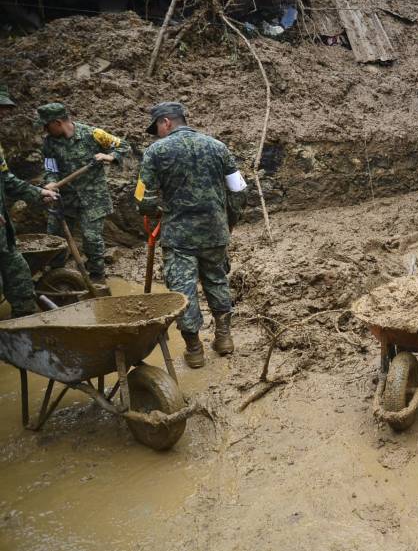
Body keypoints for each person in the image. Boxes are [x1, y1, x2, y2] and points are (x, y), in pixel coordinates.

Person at [136, 102, 247, 368]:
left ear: (166, 122)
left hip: (179, 239)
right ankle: (224, 339)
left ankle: (194, 350)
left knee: (183, 290)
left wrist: (159, 212)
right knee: (217, 281)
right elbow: (239, 191)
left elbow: (142, 198)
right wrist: (227, 222)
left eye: (157, 128)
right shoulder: (218, 147)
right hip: (215, 233)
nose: (157, 134)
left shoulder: (156, 152)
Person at [37, 102, 131, 284]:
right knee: (55, 237)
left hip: (93, 198)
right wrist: (50, 182)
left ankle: (97, 276)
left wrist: (109, 156)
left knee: (91, 238)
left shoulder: (94, 134)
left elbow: (123, 146)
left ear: (57, 122)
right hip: (65, 198)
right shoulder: (49, 143)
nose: (44, 130)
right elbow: (50, 167)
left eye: (46, 125)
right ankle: (56, 274)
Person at [0, 86, 59, 317]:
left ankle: (23, 329)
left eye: (5, 109)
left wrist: (37, 193)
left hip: (4, 232)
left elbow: (7, 180)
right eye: (0, 108)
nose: (3, 114)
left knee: (19, 275)